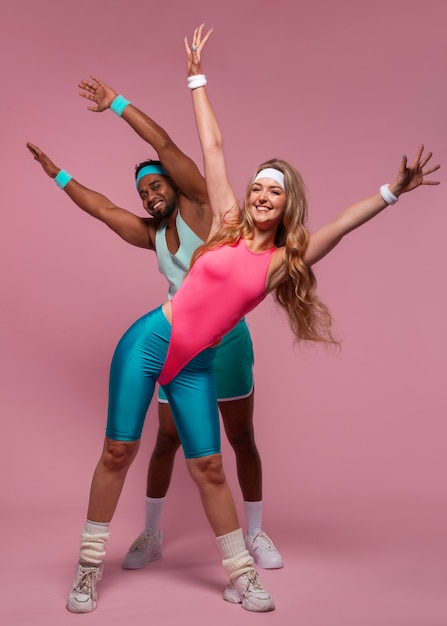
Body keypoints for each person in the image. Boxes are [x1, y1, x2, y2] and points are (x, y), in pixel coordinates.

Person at [27, 24, 440, 616]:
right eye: (258, 186)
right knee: (119, 452)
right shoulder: (223, 220)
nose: (261, 193)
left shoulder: (280, 264)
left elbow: (343, 225)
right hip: (149, 341)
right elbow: (210, 148)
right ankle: (89, 568)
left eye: (274, 189)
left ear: (287, 201)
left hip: (196, 361)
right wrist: (195, 75)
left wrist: (392, 191)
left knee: (211, 464)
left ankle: (241, 575)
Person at [72, 74, 283, 572]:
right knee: (166, 439)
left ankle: (255, 534)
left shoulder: (204, 207)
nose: (149, 195)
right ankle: (151, 533)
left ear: (173, 183)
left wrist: (117, 103)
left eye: (155, 184)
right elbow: (101, 209)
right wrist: (59, 174)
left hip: (227, 342)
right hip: (178, 345)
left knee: (242, 438)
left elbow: (164, 143)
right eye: (143, 191)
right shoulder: (151, 234)